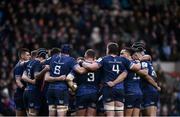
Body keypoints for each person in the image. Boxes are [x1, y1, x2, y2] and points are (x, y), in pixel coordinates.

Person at [80, 42, 160, 116]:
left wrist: (81, 62)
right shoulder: (125, 60)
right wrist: (140, 59)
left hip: (112, 90)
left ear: (108, 50)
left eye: (123, 53)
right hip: (122, 90)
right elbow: (134, 69)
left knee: (111, 115)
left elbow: (92, 67)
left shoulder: (104, 59)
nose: (121, 55)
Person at [45, 44, 87, 116]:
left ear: (61, 50)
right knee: (61, 114)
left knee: (51, 114)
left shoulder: (53, 57)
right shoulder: (71, 60)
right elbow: (80, 71)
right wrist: (88, 66)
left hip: (50, 88)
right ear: (70, 52)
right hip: (61, 89)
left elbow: (43, 63)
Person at [67, 49, 101, 116]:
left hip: (81, 93)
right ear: (94, 57)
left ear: (85, 56)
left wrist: (74, 89)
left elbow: (69, 79)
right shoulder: (98, 67)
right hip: (94, 93)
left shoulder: (78, 66)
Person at [132, 45, 160, 116]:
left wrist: (156, 86)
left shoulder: (142, 62)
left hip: (149, 90)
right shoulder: (143, 60)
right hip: (143, 91)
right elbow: (149, 57)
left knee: (151, 115)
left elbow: (146, 75)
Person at [22, 48, 49, 116]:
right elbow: (36, 75)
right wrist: (45, 70)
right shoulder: (37, 63)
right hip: (34, 91)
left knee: (29, 114)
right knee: (33, 114)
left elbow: (23, 76)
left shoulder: (29, 62)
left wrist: (30, 81)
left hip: (26, 91)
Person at [13, 48, 30, 116]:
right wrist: (24, 88)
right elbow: (18, 81)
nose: (30, 56)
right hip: (20, 95)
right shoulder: (19, 66)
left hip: (25, 94)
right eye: (28, 55)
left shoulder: (25, 65)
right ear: (22, 56)